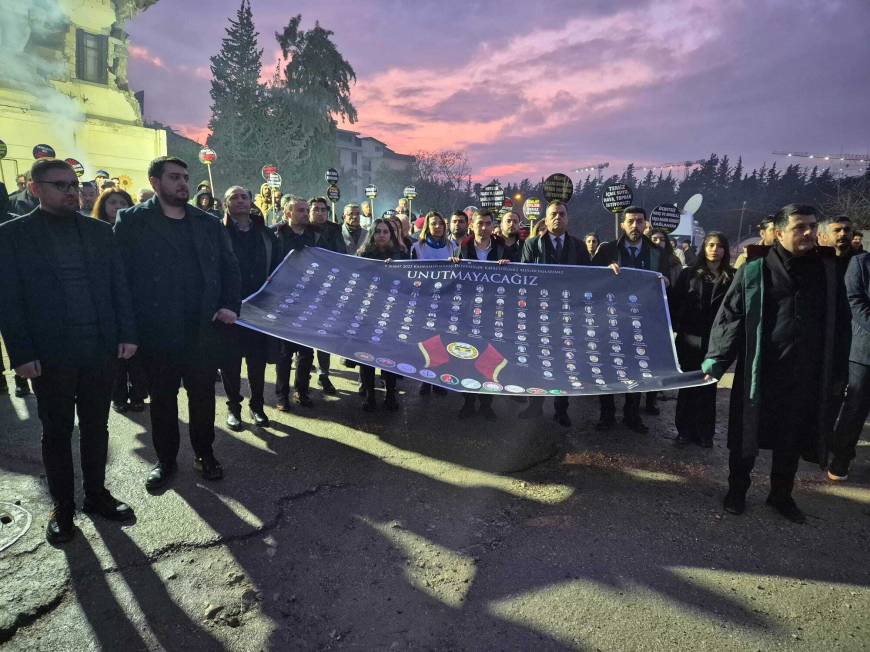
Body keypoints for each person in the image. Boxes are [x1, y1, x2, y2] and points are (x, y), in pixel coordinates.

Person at [0, 159, 139, 543]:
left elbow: (119, 287)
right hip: (50, 354)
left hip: (99, 348)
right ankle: (63, 507)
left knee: (97, 426)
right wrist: (21, 353)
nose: (70, 191)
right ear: (35, 188)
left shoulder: (98, 232)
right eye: (60, 185)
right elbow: (8, 301)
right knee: (57, 432)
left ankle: (97, 495)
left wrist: (127, 334)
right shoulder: (13, 236)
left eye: (73, 184)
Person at [702, 204, 848, 523]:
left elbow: (841, 323)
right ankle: (737, 490)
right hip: (761, 371)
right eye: (800, 227)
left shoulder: (827, 271)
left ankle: (781, 495)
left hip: (806, 373)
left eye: (812, 226)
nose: (809, 233)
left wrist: (839, 370)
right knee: (746, 437)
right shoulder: (755, 269)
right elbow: (731, 317)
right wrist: (716, 359)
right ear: (779, 232)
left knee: (792, 438)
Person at [115, 156, 241, 490]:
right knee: (163, 402)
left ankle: (205, 454)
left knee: (202, 399)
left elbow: (230, 268)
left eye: (185, 177)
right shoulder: (131, 221)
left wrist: (230, 305)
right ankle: (166, 460)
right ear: (155, 182)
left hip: (201, 329)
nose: (183, 183)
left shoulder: (207, 222)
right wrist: (126, 331)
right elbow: (120, 279)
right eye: (174, 177)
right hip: (156, 331)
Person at [592, 206, 668, 433]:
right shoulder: (606, 250)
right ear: (622, 224)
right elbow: (589, 280)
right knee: (608, 367)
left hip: (641, 322)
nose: (635, 226)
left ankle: (632, 415)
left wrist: (665, 282)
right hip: (610, 320)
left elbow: (667, 281)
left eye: (639, 221)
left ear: (646, 224)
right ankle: (607, 415)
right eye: (631, 221)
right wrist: (604, 271)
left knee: (636, 368)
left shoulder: (656, 252)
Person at [519, 199, 593, 427]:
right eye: (553, 214)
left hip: (567, 315)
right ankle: (535, 404)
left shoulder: (579, 247)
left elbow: (588, 279)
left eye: (561, 214)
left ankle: (562, 408)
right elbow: (523, 276)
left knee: (564, 362)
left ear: (567, 218)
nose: (557, 218)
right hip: (539, 313)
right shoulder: (532, 244)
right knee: (537, 361)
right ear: (546, 217)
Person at [220, 186, 280, 431]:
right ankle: (234, 408)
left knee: (257, 363)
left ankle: (257, 406)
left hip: (258, 309)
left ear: (251, 202)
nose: (241, 201)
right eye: (234, 197)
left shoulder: (266, 234)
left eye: (244, 197)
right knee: (231, 364)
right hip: (228, 310)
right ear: (226, 204)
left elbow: (278, 267)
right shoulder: (217, 233)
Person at [671, 233, 735, 447]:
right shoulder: (688, 274)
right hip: (690, 340)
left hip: (716, 343)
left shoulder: (733, 276)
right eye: (710, 245)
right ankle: (684, 431)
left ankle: (704, 433)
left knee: (708, 390)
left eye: (719, 246)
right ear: (704, 248)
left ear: (725, 250)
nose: (714, 249)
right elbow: (674, 302)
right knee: (688, 388)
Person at [453, 208, 515, 420]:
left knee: (489, 358)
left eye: (488, 223)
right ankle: (468, 402)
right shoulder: (463, 247)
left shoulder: (502, 248)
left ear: (492, 225)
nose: (484, 227)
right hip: (468, 313)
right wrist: (454, 266)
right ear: (472, 225)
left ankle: (487, 403)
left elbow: (516, 277)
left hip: (493, 312)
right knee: (467, 358)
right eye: (480, 223)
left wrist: (509, 267)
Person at [273, 196, 317, 410]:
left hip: (308, 301)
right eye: (301, 210)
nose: (305, 213)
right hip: (285, 301)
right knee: (285, 353)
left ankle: (302, 390)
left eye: (306, 209)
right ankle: (281, 395)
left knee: (307, 352)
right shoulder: (277, 235)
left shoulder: (314, 236)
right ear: (288, 213)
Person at [828, 250, 870, 480]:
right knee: (855, 409)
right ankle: (841, 460)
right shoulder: (861, 263)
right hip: (865, 353)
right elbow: (854, 300)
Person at [356, 218, 406, 411]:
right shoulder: (363, 254)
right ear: (372, 234)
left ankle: (391, 395)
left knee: (389, 357)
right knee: (366, 357)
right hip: (368, 314)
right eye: (378, 232)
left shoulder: (401, 254)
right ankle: (369, 396)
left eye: (386, 232)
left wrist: (395, 269)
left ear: (391, 235)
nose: (382, 235)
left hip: (392, 314)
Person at [412, 211, 458, 397]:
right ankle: (425, 379)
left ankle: (439, 379)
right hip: (425, 300)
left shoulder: (452, 246)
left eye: (440, 223)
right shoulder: (418, 247)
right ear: (427, 226)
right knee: (426, 341)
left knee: (443, 341)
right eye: (433, 223)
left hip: (446, 301)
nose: (437, 226)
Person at [308, 197, 346, 395]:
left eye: (323, 209)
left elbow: (342, 255)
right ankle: (303, 374)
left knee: (324, 334)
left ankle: (323, 373)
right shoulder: (302, 229)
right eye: (316, 209)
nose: (320, 213)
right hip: (306, 288)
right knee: (304, 335)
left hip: (329, 288)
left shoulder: (334, 230)